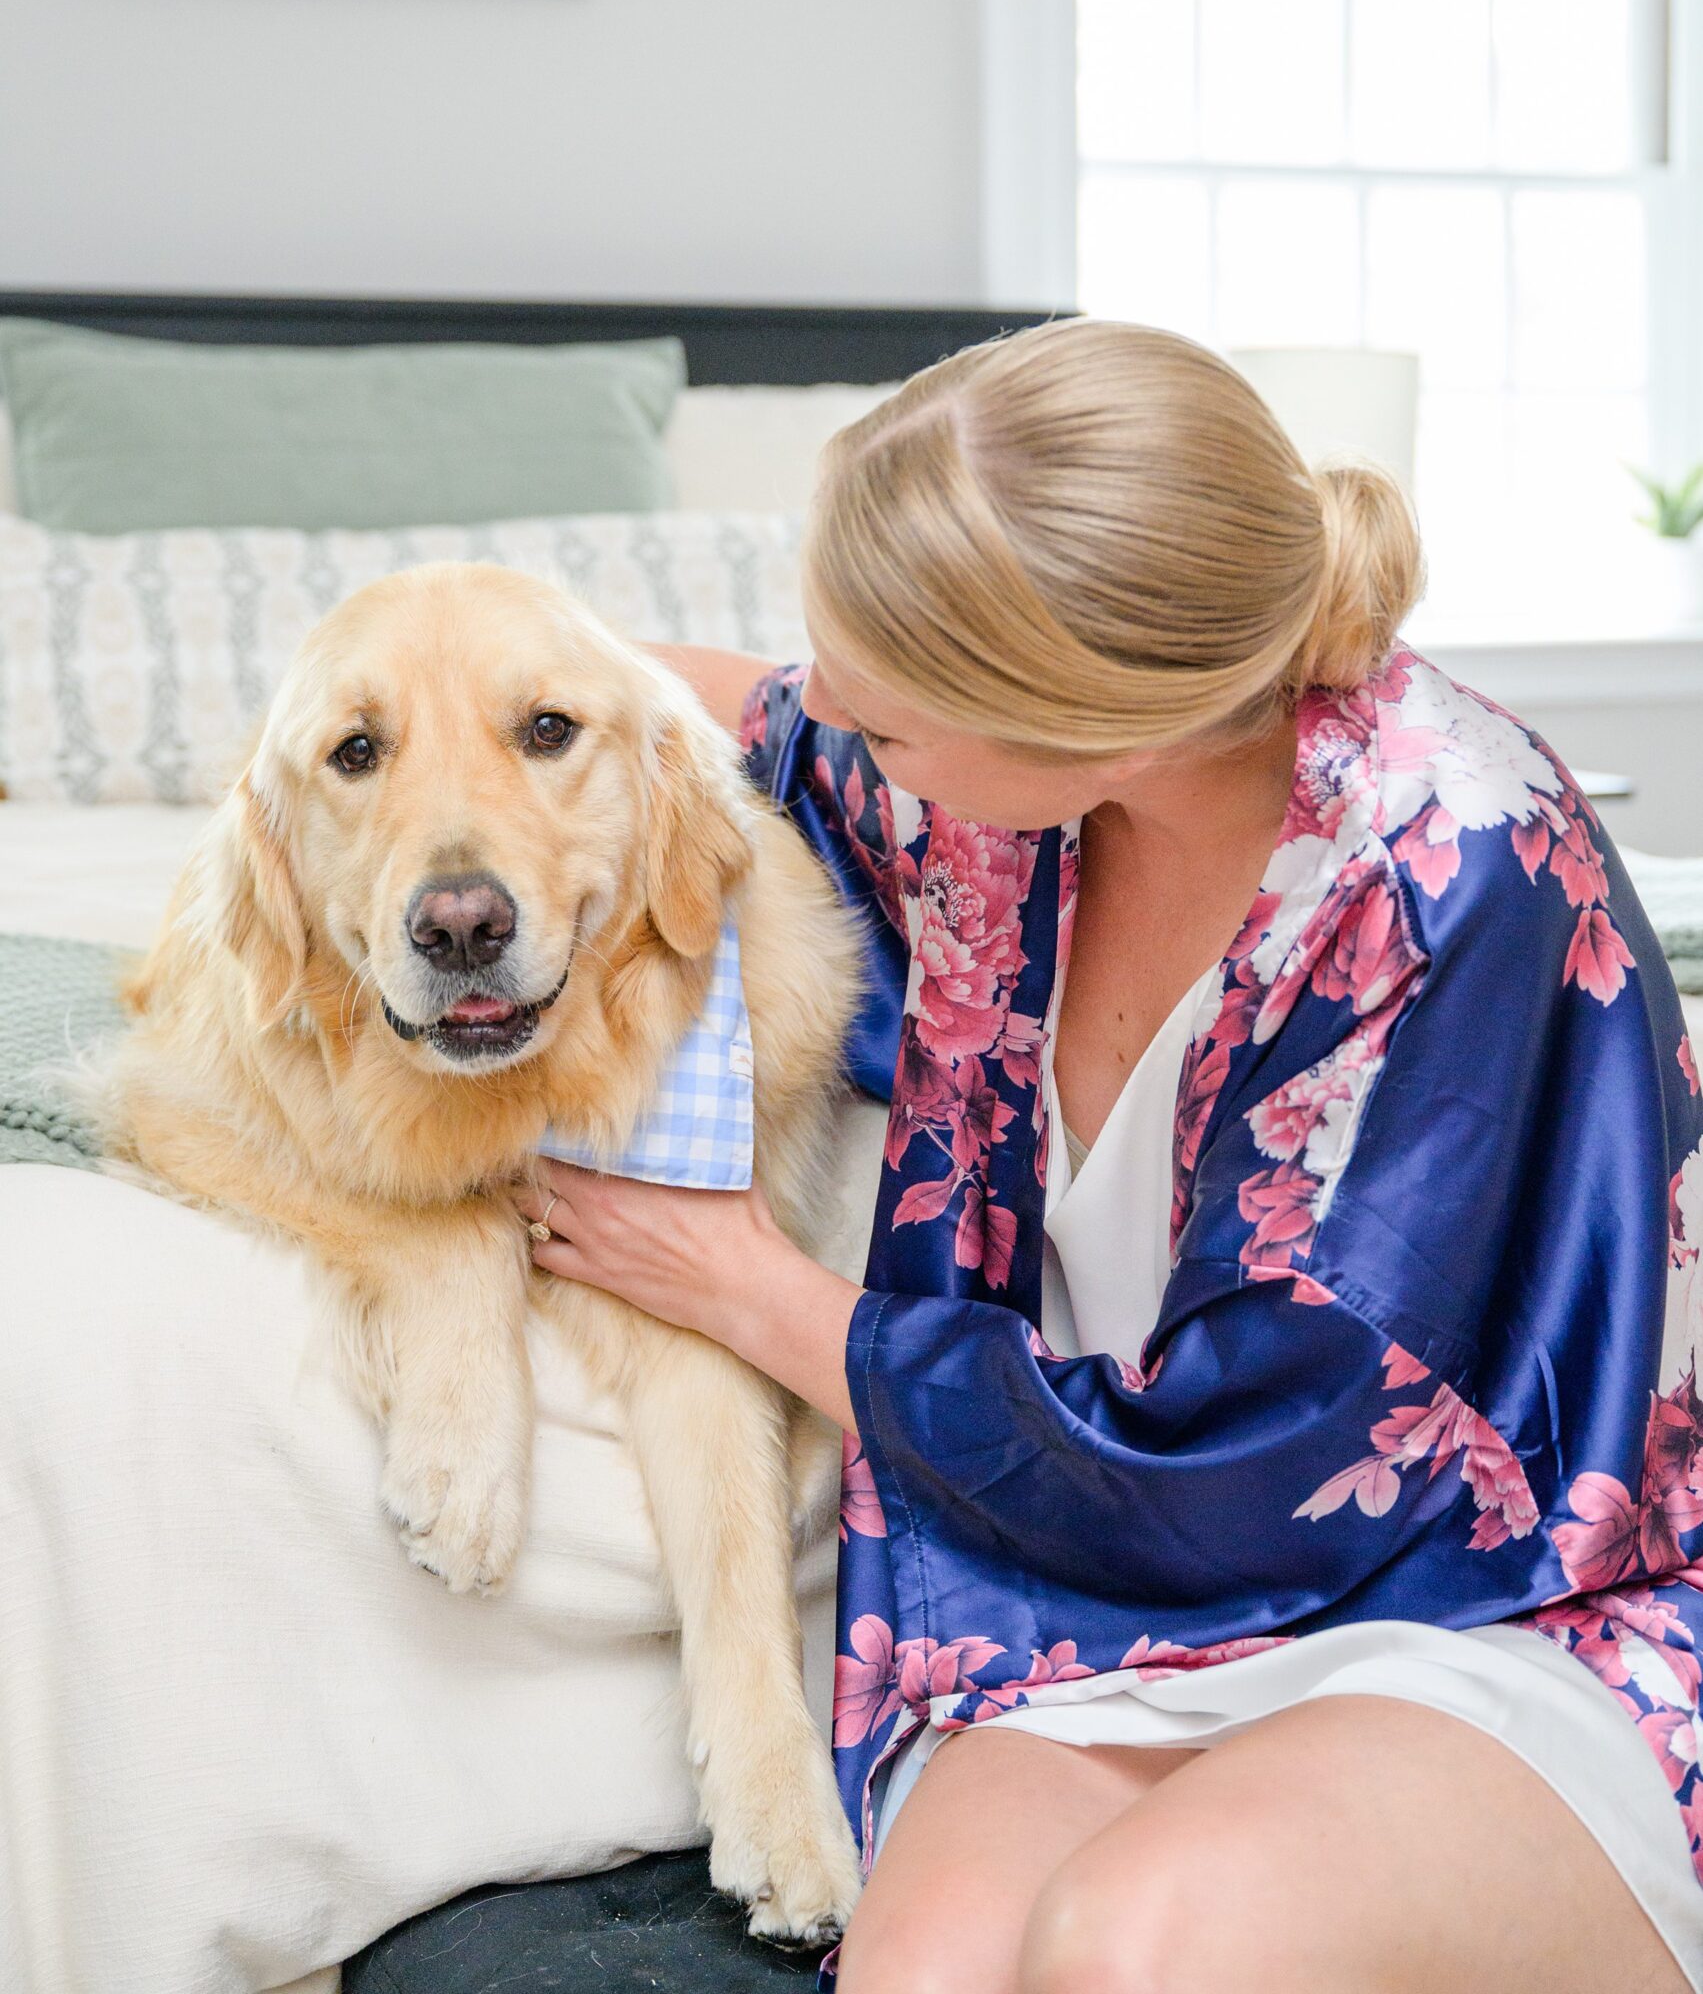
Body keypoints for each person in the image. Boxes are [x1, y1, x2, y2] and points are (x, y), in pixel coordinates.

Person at [516, 317, 1703, 1994]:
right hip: (1088, 1603)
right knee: (925, 1974)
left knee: (1139, 1946)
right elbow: (747, 715)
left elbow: (1260, 1457)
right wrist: (489, 668)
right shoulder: (984, 791)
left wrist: (756, 1294)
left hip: (1472, 1594)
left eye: (893, 708)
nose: (835, 711)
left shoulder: (1455, 881)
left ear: (1101, 722)